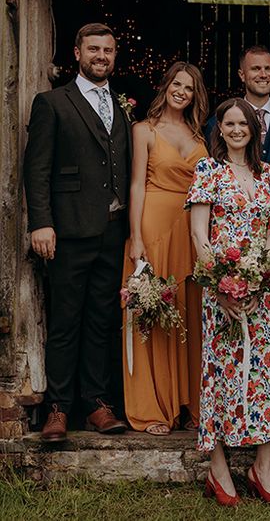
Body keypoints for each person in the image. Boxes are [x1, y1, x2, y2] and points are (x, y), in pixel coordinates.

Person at [188, 98, 270, 507]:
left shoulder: (269, 173)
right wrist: (220, 285)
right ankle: (218, 469)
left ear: (255, 129)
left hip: (263, 291)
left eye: (244, 124)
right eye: (229, 124)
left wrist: (262, 280)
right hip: (220, 289)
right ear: (219, 129)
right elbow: (200, 235)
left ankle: (261, 468)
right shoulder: (208, 170)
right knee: (221, 375)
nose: (236, 130)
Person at [23, 22, 129, 441]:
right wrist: (40, 222)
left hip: (112, 232)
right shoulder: (52, 102)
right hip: (67, 232)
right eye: (94, 49)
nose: (101, 56)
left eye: (108, 50)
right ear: (77, 53)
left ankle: (97, 405)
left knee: (102, 321)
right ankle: (58, 409)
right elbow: (37, 167)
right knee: (66, 321)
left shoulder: (121, 107)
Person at [210, 44, 270, 405]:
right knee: (234, 324)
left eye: (268, 68)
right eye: (255, 69)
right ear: (242, 74)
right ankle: (237, 400)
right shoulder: (218, 121)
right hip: (234, 244)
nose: (262, 74)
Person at [121, 61, 208, 435]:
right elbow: (137, 184)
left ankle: (191, 405)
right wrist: (137, 237)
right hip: (154, 225)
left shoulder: (201, 134)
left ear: (194, 95)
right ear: (166, 86)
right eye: (177, 84)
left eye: (189, 88)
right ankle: (155, 408)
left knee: (190, 314)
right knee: (154, 314)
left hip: (192, 228)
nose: (181, 92)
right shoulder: (144, 129)